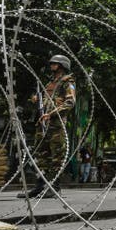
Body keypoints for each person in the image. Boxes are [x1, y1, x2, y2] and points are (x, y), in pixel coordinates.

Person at [18, 55, 76, 198]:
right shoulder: (50, 83)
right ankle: (40, 185)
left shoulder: (67, 82)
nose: (51, 65)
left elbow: (70, 102)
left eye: (55, 63)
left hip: (56, 124)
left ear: (62, 65)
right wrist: (37, 100)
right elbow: (45, 101)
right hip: (43, 123)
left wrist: (52, 113)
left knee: (56, 157)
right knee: (42, 157)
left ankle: (54, 187)